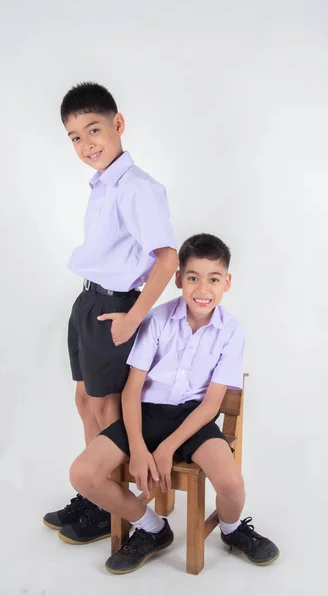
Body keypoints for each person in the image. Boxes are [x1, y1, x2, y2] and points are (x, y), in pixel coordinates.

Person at [65, 233, 279, 573]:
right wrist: (137, 447)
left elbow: (211, 405)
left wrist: (167, 448)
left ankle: (232, 529)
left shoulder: (231, 332)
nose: (202, 288)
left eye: (213, 279)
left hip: (193, 420)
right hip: (146, 415)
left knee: (232, 483)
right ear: (178, 278)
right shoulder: (158, 319)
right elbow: (132, 390)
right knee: (82, 473)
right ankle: (152, 529)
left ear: (227, 282)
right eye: (192, 277)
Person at [43, 82, 178, 542]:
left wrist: (133, 317)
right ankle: (97, 495)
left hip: (115, 307)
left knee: (106, 410)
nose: (85, 144)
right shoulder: (102, 185)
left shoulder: (138, 188)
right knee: (85, 402)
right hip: (88, 299)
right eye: (75, 137)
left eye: (94, 129)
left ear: (118, 125)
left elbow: (167, 259)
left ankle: (120, 509)